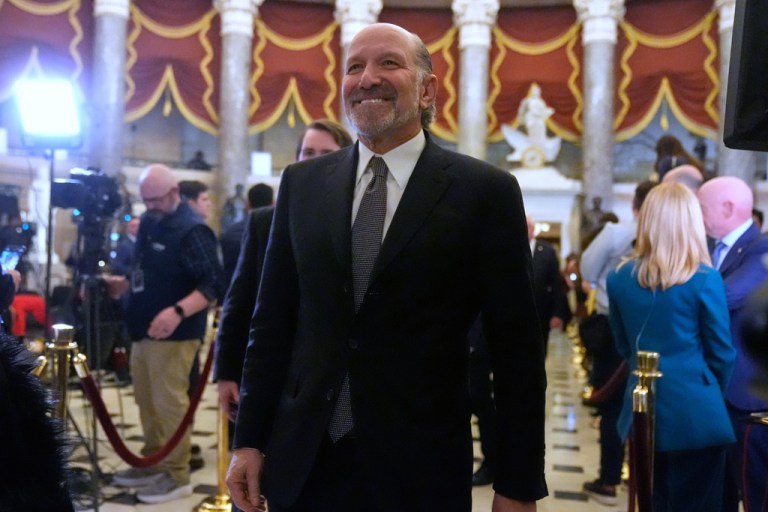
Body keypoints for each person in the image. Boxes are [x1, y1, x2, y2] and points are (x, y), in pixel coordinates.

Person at [226, 22, 547, 512]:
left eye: (388, 63)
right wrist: (247, 440)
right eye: (355, 66)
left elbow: (517, 353)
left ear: (427, 89)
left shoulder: (484, 193)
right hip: (303, 462)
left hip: (420, 468)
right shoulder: (301, 185)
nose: (367, 77)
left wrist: (518, 483)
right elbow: (270, 324)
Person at [608, 182, 735, 512]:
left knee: (653, 502)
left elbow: (623, 346)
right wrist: (705, 392)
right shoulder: (705, 278)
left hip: (642, 410)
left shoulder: (619, 278)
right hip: (697, 411)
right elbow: (722, 354)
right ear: (690, 223)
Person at [108, 164, 225, 504]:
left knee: (169, 403)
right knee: (146, 399)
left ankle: (176, 473)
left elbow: (214, 283)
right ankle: (152, 460)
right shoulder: (149, 221)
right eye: (146, 200)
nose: (150, 206)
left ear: (175, 193)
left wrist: (177, 312)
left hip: (176, 333)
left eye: (156, 199)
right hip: (142, 328)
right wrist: (125, 285)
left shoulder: (193, 231)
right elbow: (147, 269)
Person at [579, 180, 655, 505]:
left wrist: (603, 289)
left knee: (611, 409)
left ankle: (610, 479)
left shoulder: (615, 233)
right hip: (655, 328)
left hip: (613, 327)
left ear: (635, 206)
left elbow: (587, 269)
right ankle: (640, 478)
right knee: (650, 408)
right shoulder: (672, 238)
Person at [697, 177, 768, 512]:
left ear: (727, 208)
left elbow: (727, 296)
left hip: (747, 400)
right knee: (718, 494)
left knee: (753, 493)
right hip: (718, 393)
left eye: (702, 208)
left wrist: (678, 298)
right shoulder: (713, 248)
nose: (698, 216)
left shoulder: (762, 248)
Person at [219, 183, 274, 288]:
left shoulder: (229, 234)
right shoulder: (280, 236)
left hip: (234, 297)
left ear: (247, 204)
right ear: (273, 203)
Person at [527, 216, 567, 354]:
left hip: (541, 312)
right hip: (515, 312)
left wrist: (558, 314)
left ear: (533, 229)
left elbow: (556, 284)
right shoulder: (509, 250)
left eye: (528, 227)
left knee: (538, 350)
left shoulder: (547, 251)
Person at [516, 83, 553, 150]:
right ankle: (533, 147)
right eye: (535, 91)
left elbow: (543, 110)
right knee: (533, 135)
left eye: (538, 91)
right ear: (532, 92)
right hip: (532, 120)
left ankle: (540, 147)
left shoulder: (541, 102)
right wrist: (546, 112)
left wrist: (548, 111)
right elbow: (534, 112)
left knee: (541, 132)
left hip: (539, 120)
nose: (537, 93)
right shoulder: (530, 101)